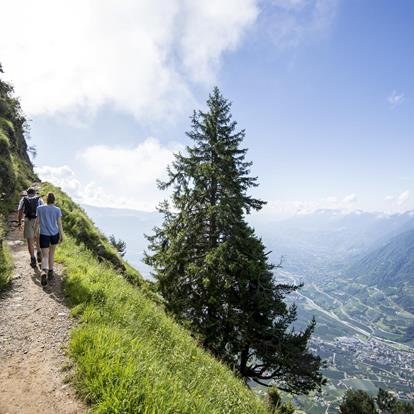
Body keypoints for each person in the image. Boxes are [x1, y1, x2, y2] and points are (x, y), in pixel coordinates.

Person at [35, 192, 64, 286]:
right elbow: (59, 223)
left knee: (45, 255)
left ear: (46, 199)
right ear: (54, 200)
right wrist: (61, 235)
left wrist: (36, 232)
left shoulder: (40, 208)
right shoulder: (57, 210)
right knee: (52, 253)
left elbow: (37, 222)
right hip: (54, 234)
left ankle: (44, 271)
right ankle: (51, 272)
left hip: (43, 234)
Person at [17, 187, 43, 268]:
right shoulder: (39, 200)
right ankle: (39, 253)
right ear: (35, 193)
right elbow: (42, 211)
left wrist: (19, 222)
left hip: (28, 220)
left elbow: (20, 211)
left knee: (30, 241)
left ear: (27, 193)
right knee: (38, 238)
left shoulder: (23, 199)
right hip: (37, 220)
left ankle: (33, 259)